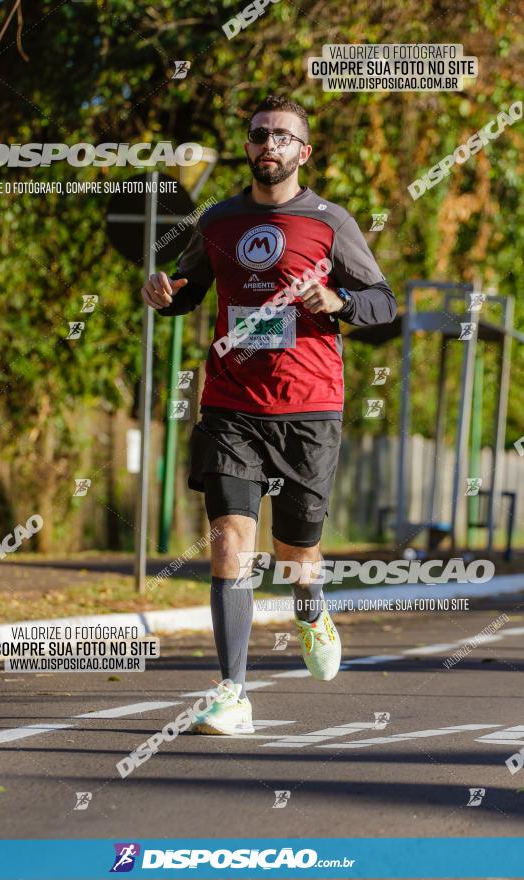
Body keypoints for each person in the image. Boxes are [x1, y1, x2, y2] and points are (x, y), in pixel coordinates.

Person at [141, 95, 397, 735]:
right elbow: (190, 288)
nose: (269, 144)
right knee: (230, 540)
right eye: (259, 134)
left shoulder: (331, 222)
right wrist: (165, 295)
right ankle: (232, 693)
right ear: (249, 146)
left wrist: (336, 300)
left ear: (303, 152)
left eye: (283, 135)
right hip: (231, 404)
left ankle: (310, 609)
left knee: (296, 557)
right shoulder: (219, 220)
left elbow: (383, 305)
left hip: (310, 408)